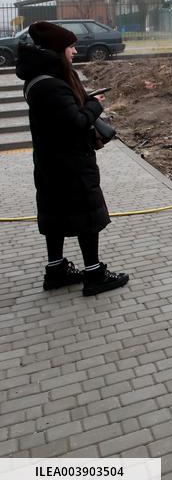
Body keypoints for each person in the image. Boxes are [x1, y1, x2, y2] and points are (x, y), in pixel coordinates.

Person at [15, 22, 130, 296]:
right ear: (58, 50)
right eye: (71, 47)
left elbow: (59, 116)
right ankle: (94, 275)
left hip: (50, 162)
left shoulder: (38, 79)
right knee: (87, 217)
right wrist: (94, 104)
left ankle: (56, 270)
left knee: (54, 214)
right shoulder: (53, 85)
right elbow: (76, 123)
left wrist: (81, 101)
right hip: (71, 164)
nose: (75, 51)